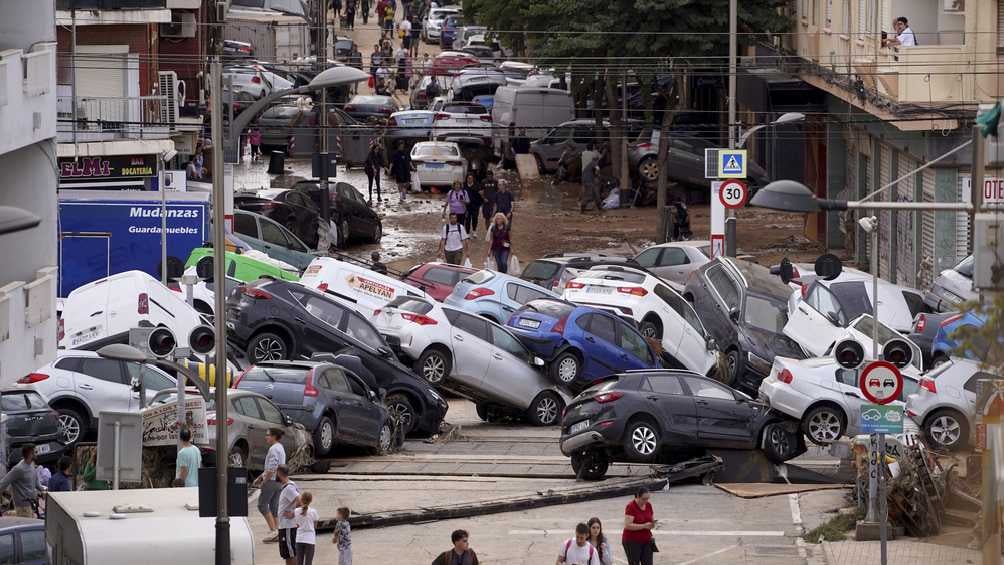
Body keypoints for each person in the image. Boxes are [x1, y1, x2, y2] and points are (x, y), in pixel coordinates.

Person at [253, 428, 287, 543]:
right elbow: (273, 467)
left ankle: (273, 530)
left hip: (271, 481)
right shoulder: (280, 447)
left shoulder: (273, 449)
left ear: (274, 436)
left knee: (262, 505)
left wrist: (264, 481)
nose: (265, 437)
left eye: (267, 435)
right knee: (274, 506)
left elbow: (272, 468)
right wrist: (260, 477)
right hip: (279, 481)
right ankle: (277, 530)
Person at [0, 445, 42, 517]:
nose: (37, 453)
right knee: (28, 525)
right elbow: (3, 483)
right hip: (23, 507)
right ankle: (9, 515)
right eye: (36, 452)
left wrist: (43, 490)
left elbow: (36, 481)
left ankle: (10, 514)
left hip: (31, 504)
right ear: (30, 454)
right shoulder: (19, 469)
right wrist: (2, 498)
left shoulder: (32, 464)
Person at [622, 488, 657, 565]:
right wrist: (644, 526)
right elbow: (627, 525)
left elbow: (651, 519)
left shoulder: (648, 505)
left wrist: (652, 524)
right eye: (643, 499)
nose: (645, 501)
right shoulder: (631, 506)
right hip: (632, 541)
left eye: (647, 499)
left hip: (646, 539)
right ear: (637, 496)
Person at [276, 464, 300, 565]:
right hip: (285, 526)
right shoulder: (288, 486)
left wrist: (293, 513)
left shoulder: (289, 488)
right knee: (287, 554)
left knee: (291, 553)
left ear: (279, 473)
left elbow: (300, 501)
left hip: (288, 526)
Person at [294, 491, 318, 565]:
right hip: (310, 539)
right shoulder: (313, 512)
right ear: (311, 500)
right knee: (308, 562)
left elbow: (297, 524)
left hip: (299, 538)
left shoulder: (296, 511)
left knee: (299, 562)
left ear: (301, 499)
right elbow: (315, 526)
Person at [579, 144, 602, 213]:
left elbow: (579, 154)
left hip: (584, 176)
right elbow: (597, 168)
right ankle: (582, 207)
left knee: (595, 192)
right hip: (589, 178)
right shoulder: (593, 161)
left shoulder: (583, 153)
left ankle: (599, 207)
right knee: (589, 193)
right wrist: (598, 175)